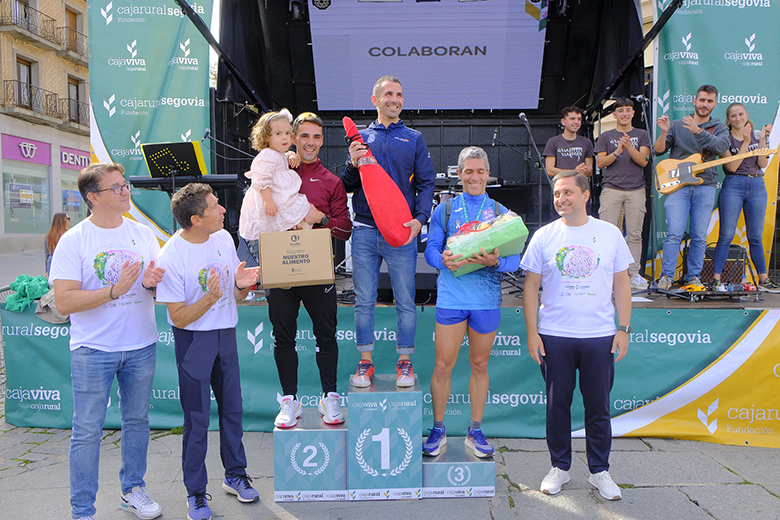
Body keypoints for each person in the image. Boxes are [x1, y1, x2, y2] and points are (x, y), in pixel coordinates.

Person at [50, 162, 166, 520]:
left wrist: (150, 281)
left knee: (137, 421)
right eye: (115, 188)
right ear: (93, 198)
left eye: (125, 185)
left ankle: (134, 490)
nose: (124, 192)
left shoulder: (142, 233)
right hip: (93, 349)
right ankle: (82, 510)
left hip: (141, 344)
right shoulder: (74, 240)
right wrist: (114, 290)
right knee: (86, 431)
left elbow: (157, 285)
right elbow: (65, 301)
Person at [521, 170, 631, 501]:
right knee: (557, 405)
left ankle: (600, 471)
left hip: (600, 336)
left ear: (586, 196)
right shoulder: (543, 236)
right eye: (557, 194)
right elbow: (530, 287)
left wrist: (623, 328)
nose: (560, 199)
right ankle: (560, 467)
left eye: (568, 192)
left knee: (598, 407)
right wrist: (532, 333)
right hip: (554, 335)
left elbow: (622, 284)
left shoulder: (610, 234)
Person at [156, 183, 261, 520]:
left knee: (233, 410)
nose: (222, 210)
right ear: (196, 219)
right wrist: (210, 298)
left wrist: (241, 286)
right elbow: (177, 316)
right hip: (193, 342)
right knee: (197, 419)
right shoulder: (171, 254)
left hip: (225, 335)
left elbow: (236, 296)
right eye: (215, 207)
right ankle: (196, 494)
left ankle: (235, 474)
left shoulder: (223, 239)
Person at [422, 147, 520, 459]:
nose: (475, 177)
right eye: (469, 171)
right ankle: (438, 429)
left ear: (487, 174)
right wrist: (443, 260)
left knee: (479, 365)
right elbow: (430, 250)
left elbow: (516, 259)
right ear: (459, 174)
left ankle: (475, 430)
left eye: (480, 171)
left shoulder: (501, 211)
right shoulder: (446, 210)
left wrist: (496, 261)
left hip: (486, 301)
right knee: (442, 365)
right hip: (452, 298)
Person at [343, 75, 436, 387]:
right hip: (366, 230)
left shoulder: (414, 138)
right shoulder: (360, 138)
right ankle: (365, 364)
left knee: (406, 301)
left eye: (399, 94)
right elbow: (347, 185)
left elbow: (426, 183)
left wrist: (420, 219)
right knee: (363, 301)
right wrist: (351, 165)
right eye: (388, 94)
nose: (394, 99)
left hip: (400, 234)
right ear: (375, 100)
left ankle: (405, 363)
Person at [270, 112, 353, 428]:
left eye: (316, 137)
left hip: (318, 270)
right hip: (283, 267)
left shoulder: (331, 182)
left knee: (326, 336)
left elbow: (344, 230)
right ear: (293, 138)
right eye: (304, 136)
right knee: (283, 337)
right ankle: (289, 400)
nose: (310, 142)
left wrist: (320, 219)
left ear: (322, 141)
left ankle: (329, 396)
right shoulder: (276, 174)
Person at [654, 84, 729, 289]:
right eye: (702, 100)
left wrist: (699, 132)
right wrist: (663, 132)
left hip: (705, 185)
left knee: (699, 236)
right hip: (678, 187)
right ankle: (667, 276)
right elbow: (659, 150)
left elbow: (722, 147)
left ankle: (693, 277)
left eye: (710, 101)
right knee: (674, 233)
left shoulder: (719, 127)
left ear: (715, 103)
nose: (705, 104)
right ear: (694, 101)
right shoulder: (677, 125)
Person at [712, 103, 777, 292]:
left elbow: (762, 163)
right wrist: (746, 142)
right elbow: (732, 167)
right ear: (728, 119)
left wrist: (763, 140)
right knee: (725, 235)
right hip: (734, 183)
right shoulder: (725, 139)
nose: (738, 118)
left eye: (741, 114)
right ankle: (716, 278)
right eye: (733, 116)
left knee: (755, 236)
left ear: (746, 115)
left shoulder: (756, 135)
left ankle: (764, 279)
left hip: (757, 184)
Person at [595, 97, 652, 290]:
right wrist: (618, 151)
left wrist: (629, 147)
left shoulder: (642, 134)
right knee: (610, 234)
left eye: (628, 110)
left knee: (635, 234)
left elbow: (644, 160)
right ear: (615, 114)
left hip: (636, 189)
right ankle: (609, 274)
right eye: (620, 110)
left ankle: (634, 273)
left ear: (633, 113)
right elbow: (601, 163)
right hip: (611, 189)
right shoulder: (605, 136)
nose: (625, 113)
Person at [238, 108, 311, 240]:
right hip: (271, 199)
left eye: (287, 133)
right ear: (266, 137)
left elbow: (283, 156)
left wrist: (291, 155)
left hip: (279, 198)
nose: (285, 137)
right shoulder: (267, 155)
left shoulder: (279, 153)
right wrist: (267, 200)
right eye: (278, 133)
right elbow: (261, 178)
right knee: (272, 225)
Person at [544, 106, 594, 178]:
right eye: (572, 119)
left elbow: (590, 171)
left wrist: (584, 170)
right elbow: (550, 170)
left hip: (579, 185)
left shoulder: (586, 142)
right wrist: (574, 172)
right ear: (563, 122)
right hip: (561, 184)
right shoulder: (553, 142)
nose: (576, 122)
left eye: (579, 119)